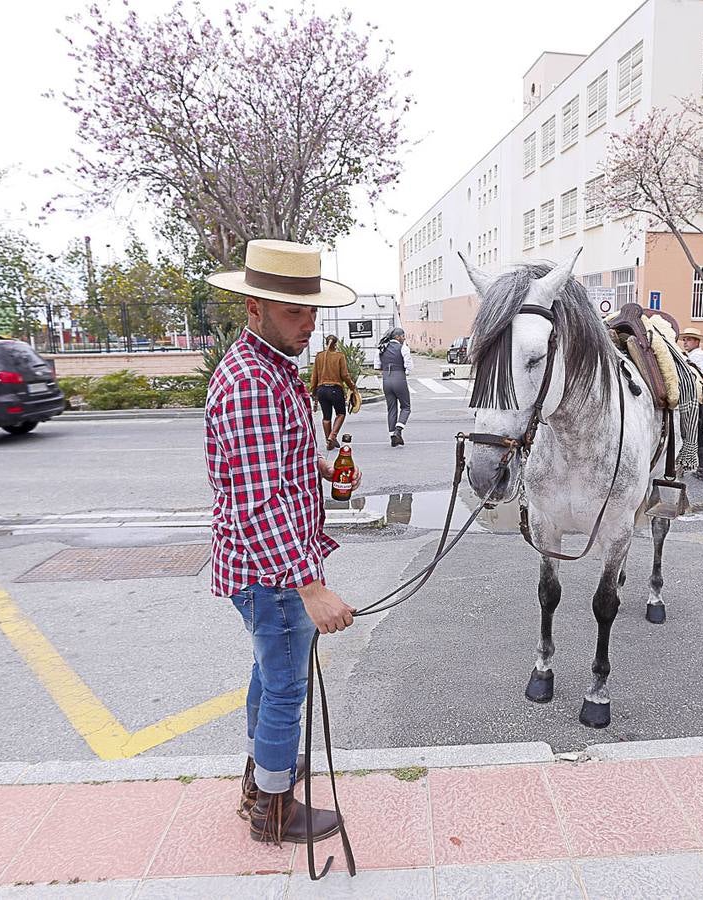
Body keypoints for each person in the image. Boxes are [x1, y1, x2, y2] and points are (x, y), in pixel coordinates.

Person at [205, 239, 362, 846]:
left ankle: (258, 788)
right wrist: (311, 586)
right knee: (286, 689)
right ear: (254, 307)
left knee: (269, 681)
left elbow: (267, 468)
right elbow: (258, 503)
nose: (309, 322)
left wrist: (320, 470)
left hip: (269, 564)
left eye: (312, 309)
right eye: (294, 311)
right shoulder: (252, 383)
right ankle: (274, 811)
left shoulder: (271, 369)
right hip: (271, 571)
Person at [309, 334, 357, 450]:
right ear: (336, 345)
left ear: (326, 343)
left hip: (321, 390)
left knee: (326, 417)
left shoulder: (319, 356)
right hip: (335, 390)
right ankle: (333, 435)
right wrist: (352, 386)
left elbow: (314, 376)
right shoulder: (339, 356)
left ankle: (328, 442)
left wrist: (313, 391)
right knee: (341, 413)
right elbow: (344, 375)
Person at [678, 327, 703, 480]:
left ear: (697, 342)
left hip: (699, 399)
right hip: (694, 398)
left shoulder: (698, 356)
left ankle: (702, 468)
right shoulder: (691, 355)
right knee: (692, 430)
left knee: (696, 430)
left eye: (689, 339)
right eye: (684, 339)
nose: (685, 342)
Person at [379, 327, 414, 446]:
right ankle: (398, 430)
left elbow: (377, 365)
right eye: (403, 336)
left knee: (391, 408)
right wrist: (403, 372)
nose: (404, 339)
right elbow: (409, 366)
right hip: (399, 378)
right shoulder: (403, 348)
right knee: (406, 407)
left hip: (386, 379)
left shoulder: (381, 348)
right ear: (398, 337)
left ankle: (392, 437)